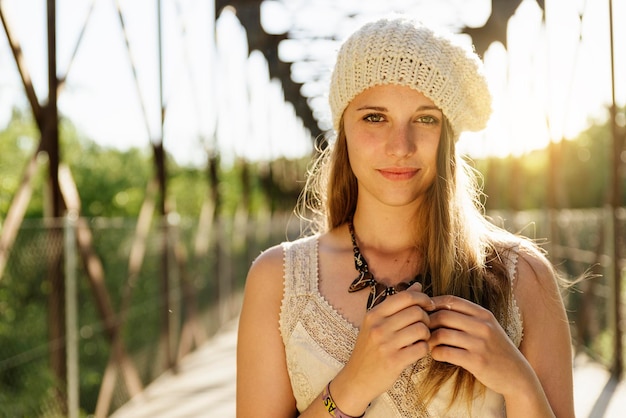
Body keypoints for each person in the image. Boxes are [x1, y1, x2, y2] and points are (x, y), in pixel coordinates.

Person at [236, 15, 574, 418]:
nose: (400, 146)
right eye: (374, 117)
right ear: (343, 129)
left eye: (425, 119)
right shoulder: (279, 279)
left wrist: (520, 384)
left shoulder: (524, 277)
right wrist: (350, 386)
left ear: (447, 135)